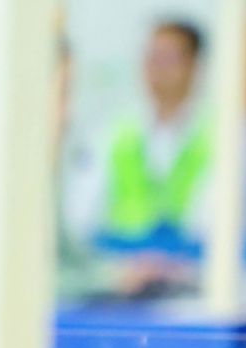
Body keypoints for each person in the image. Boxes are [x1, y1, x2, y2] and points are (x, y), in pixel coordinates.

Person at [79, 18, 211, 260]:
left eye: (168, 58)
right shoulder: (115, 131)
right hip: (121, 263)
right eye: (152, 57)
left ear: (193, 65)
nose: (157, 69)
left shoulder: (217, 133)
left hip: (189, 263)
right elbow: (82, 218)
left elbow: (211, 221)